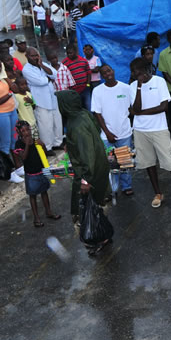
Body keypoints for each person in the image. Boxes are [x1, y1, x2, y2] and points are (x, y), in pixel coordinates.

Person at [129, 57, 171, 208]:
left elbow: (164, 107)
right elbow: (135, 109)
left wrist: (141, 113)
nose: (133, 74)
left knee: (170, 162)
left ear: (144, 70)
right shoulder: (132, 86)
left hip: (159, 129)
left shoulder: (159, 82)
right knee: (149, 163)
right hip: (140, 130)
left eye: (136, 72)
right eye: (133, 72)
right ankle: (158, 193)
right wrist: (138, 87)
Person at [55, 91, 111, 253]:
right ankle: (104, 235)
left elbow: (87, 154)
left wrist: (86, 180)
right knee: (97, 205)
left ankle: (95, 239)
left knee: (83, 211)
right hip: (98, 167)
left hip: (89, 172)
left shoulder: (77, 125)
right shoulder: (82, 114)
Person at [92, 64, 134, 197]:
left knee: (125, 161)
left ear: (113, 71)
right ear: (101, 76)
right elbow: (97, 114)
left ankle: (126, 186)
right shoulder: (97, 91)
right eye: (104, 73)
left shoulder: (126, 88)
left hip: (124, 132)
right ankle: (112, 190)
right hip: (106, 135)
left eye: (109, 70)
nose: (107, 74)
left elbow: (132, 109)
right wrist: (107, 132)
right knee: (109, 164)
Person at [12, 120, 60, 228]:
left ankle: (49, 211)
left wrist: (42, 146)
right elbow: (23, 157)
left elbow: (44, 154)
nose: (27, 132)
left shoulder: (35, 140)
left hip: (41, 171)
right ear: (19, 132)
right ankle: (36, 218)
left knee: (44, 192)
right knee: (33, 196)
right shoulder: (19, 143)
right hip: (31, 174)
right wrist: (28, 145)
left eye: (28, 129)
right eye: (23, 131)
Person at [24, 47, 63, 153]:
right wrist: (49, 79)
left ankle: (57, 143)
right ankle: (48, 147)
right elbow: (41, 82)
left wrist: (41, 65)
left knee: (57, 122)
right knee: (45, 125)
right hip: (41, 101)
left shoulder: (42, 64)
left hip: (52, 99)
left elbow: (54, 74)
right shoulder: (26, 69)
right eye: (32, 56)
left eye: (36, 55)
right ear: (26, 56)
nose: (35, 58)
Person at [62, 43, 91, 108]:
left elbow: (88, 73)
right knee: (78, 107)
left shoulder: (83, 61)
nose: (69, 55)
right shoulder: (64, 63)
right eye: (67, 53)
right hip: (73, 91)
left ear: (76, 52)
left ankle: (91, 118)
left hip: (85, 89)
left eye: (71, 53)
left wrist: (88, 85)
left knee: (88, 106)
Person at [12, 76, 38, 141]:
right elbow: (16, 110)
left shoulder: (29, 94)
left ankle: (38, 151)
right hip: (25, 125)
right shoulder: (16, 97)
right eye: (22, 85)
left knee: (36, 139)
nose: (24, 86)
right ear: (17, 86)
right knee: (28, 140)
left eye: (26, 84)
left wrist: (31, 102)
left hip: (33, 122)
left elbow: (34, 107)